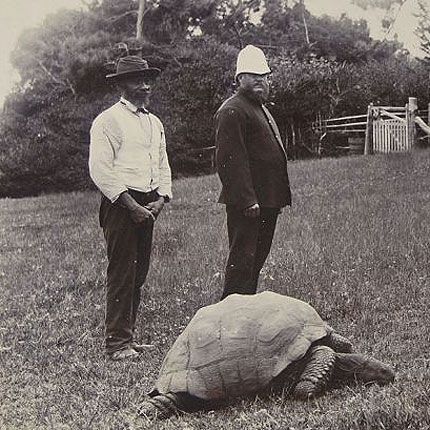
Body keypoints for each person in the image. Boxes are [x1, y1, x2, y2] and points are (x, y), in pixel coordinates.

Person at [89, 56, 172, 360]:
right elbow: (100, 170)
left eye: (149, 79)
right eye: (138, 79)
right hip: (121, 204)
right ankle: (116, 343)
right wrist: (130, 205)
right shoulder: (108, 121)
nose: (146, 85)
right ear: (122, 84)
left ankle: (129, 338)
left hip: (149, 203)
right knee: (122, 272)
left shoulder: (154, 122)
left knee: (138, 274)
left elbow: (162, 162)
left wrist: (161, 198)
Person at [214, 45, 291, 300]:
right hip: (249, 203)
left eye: (264, 75)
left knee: (255, 260)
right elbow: (230, 160)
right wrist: (247, 200)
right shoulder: (232, 110)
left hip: (267, 200)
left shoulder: (260, 108)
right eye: (253, 75)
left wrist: (274, 198)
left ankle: (244, 310)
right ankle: (230, 315)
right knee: (242, 262)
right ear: (239, 79)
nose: (260, 80)